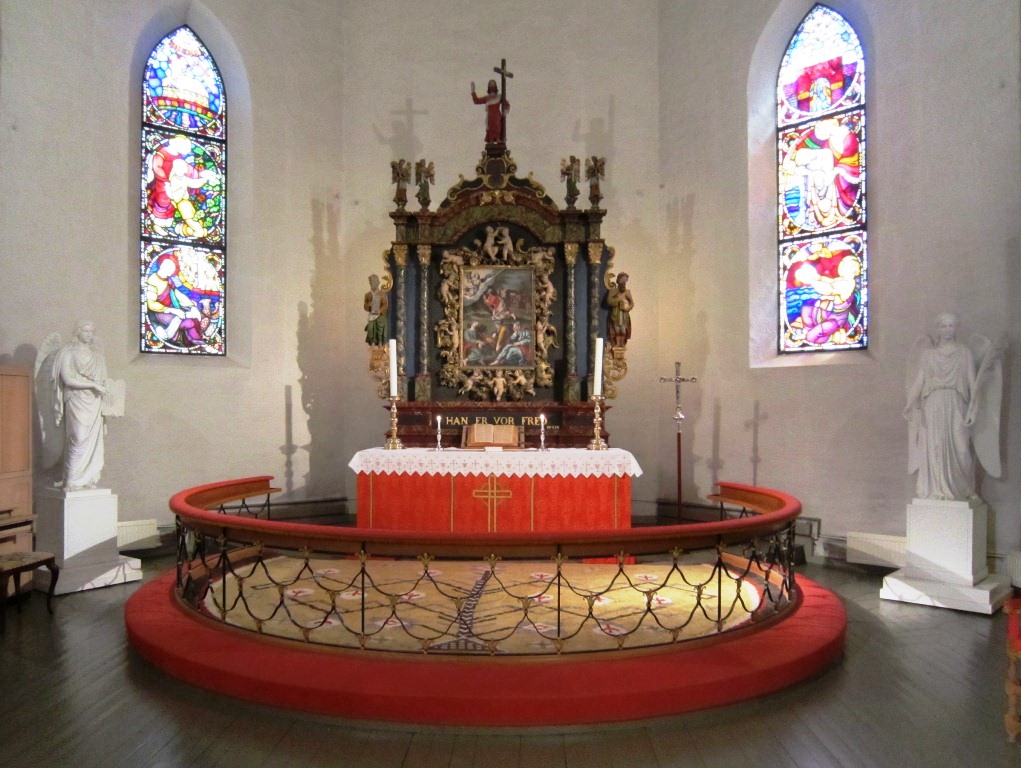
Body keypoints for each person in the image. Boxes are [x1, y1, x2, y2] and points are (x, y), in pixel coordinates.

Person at [903, 313, 979, 500]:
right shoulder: (928, 355)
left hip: (956, 402)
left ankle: (963, 490)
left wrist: (973, 408)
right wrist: (909, 403)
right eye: (944, 326)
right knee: (935, 447)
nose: (947, 330)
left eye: (951, 326)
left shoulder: (964, 353)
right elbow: (919, 381)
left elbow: (973, 383)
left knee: (961, 447)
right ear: (938, 329)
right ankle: (937, 490)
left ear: (956, 328)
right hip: (934, 403)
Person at [52, 320, 108, 491]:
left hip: (94, 401)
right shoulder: (67, 352)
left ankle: (86, 477)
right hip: (76, 399)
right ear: (77, 332)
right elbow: (68, 379)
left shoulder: (97, 356)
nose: (89, 334)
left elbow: (104, 381)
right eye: (85, 331)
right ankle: (70, 479)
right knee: (78, 437)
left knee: (93, 440)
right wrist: (92, 385)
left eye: (91, 331)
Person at [470, 79, 508, 144]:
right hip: (490, 116)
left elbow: (506, 104)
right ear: (488, 87)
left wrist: (506, 110)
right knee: (491, 127)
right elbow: (476, 101)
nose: (492, 86)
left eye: (493, 85)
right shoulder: (487, 98)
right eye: (490, 85)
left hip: (497, 115)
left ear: (496, 86)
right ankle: (491, 140)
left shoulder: (499, 96)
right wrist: (473, 91)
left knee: (498, 126)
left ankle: (498, 138)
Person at [606, 272, 634, 348]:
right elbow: (609, 301)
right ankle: (617, 343)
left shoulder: (627, 292)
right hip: (616, 313)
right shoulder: (613, 291)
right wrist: (619, 298)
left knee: (623, 329)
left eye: (625, 280)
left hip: (624, 314)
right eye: (622, 280)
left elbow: (632, 303)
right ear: (618, 280)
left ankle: (622, 343)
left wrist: (629, 307)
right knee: (617, 329)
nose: (624, 282)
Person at [363, 274, 389, 347]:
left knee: (379, 330)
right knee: (370, 328)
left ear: (377, 282)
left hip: (380, 316)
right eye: (370, 282)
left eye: (373, 281)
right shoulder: (368, 294)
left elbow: (385, 305)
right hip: (372, 316)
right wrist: (368, 305)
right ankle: (372, 342)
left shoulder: (382, 294)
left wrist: (380, 310)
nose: (371, 283)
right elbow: (365, 306)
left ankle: (380, 342)